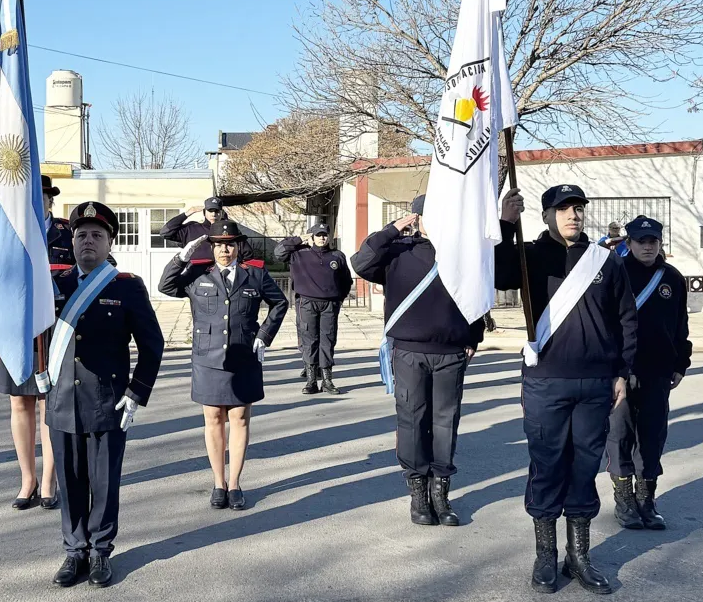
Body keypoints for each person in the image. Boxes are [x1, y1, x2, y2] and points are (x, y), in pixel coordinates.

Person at [496, 184, 637, 595]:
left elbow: (626, 318)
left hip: (596, 382)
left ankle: (579, 557)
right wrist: (506, 223)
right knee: (547, 464)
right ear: (545, 215)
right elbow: (498, 273)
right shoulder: (532, 257)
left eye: (578, 208)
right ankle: (545, 556)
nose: (572, 215)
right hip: (546, 381)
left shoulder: (605, 261)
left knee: (584, 467)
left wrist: (622, 372)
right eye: (562, 209)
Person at [48, 201, 164, 588]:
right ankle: (73, 551)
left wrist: (136, 391)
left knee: (104, 481)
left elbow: (153, 344)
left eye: (97, 235)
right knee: (69, 479)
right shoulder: (54, 283)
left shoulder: (127, 286)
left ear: (110, 241)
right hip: (62, 398)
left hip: (107, 401)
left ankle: (99, 551)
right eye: (81, 235)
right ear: (73, 242)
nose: (88, 242)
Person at [351, 193, 483, 528]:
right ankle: (418, 493)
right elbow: (361, 262)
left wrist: (473, 335)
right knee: (412, 421)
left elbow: (476, 294)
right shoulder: (399, 251)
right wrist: (394, 228)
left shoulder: (461, 254)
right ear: (417, 219)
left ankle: (441, 492)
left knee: (445, 423)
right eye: (428, 216)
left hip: (450, 352)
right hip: (409, 350)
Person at [0, 175, 76, 511]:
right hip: (17, 328)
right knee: (20, 404)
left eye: (43, 197)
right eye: (29, 198)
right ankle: (28, 480)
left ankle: (50, 480)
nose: (38, 203)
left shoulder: (67, 231)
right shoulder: (5, 229)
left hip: (56, 327)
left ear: (51, 200)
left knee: (50, 405)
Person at [159, 220, 288, 512]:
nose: (224, 250)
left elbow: (280, 303)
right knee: (213, 418)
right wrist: (182, 257)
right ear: (212, 247)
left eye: (230, 244)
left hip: (244, 357)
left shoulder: (254, 275)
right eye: (219, 244)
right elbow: (165, 286)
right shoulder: (196, 274)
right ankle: (218, 482)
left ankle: (235, 483)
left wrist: (264, 336)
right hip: (208, 358)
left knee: (240, 418)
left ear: (238, 246)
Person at [607, 215, 690, 531]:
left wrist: (681, 363)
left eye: (652, 241)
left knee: (652, 436)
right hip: (622, 372)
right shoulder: (616, 273)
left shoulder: (672, 277)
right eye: (641, 241)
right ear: (629, 243)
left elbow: (680, 325)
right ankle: (624, 500)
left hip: (658, 371)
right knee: (620, 434)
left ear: (659, 243)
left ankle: (646, 500)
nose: (647, 246)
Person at [275, 221, 354, 395]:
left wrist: (338, 299)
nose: (322, 238)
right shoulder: (299, 254)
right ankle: (311, 379)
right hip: (307, 302)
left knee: (328, 339)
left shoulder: (337, 255)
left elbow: (346, 280)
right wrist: (298, 239)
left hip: (330, 304)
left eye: (324, 234)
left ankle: (327, 380)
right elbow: (279, 252)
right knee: (309, 339)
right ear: (311, 237)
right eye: (318, 235)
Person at [160, 196, 252, 262]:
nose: (213, 214)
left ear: (221, 212)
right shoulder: (191, 229)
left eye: (216, 211)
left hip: (223, 278)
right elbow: (166, 232)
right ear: (204, 212)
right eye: (210, 211)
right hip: (195, 277)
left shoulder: (230, 230)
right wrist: (188, 213)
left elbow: (247, 254)